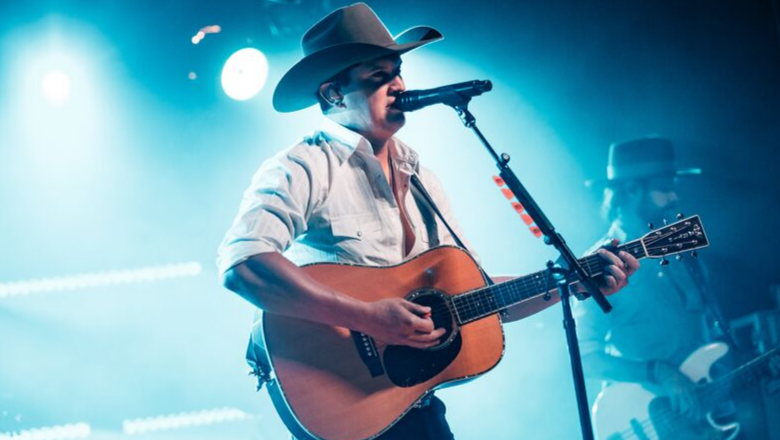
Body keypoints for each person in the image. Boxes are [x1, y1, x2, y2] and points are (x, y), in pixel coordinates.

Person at [217, 4, 638, 439]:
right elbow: (243, 265)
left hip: (414, 408)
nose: (398, 85)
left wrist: (570, 280)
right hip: (344, 409)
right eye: (378, 76)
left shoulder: (420, 176)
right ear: (334, 94)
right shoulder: (303, 166)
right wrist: (369, 318)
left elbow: (479, 297)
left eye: (397, 72)